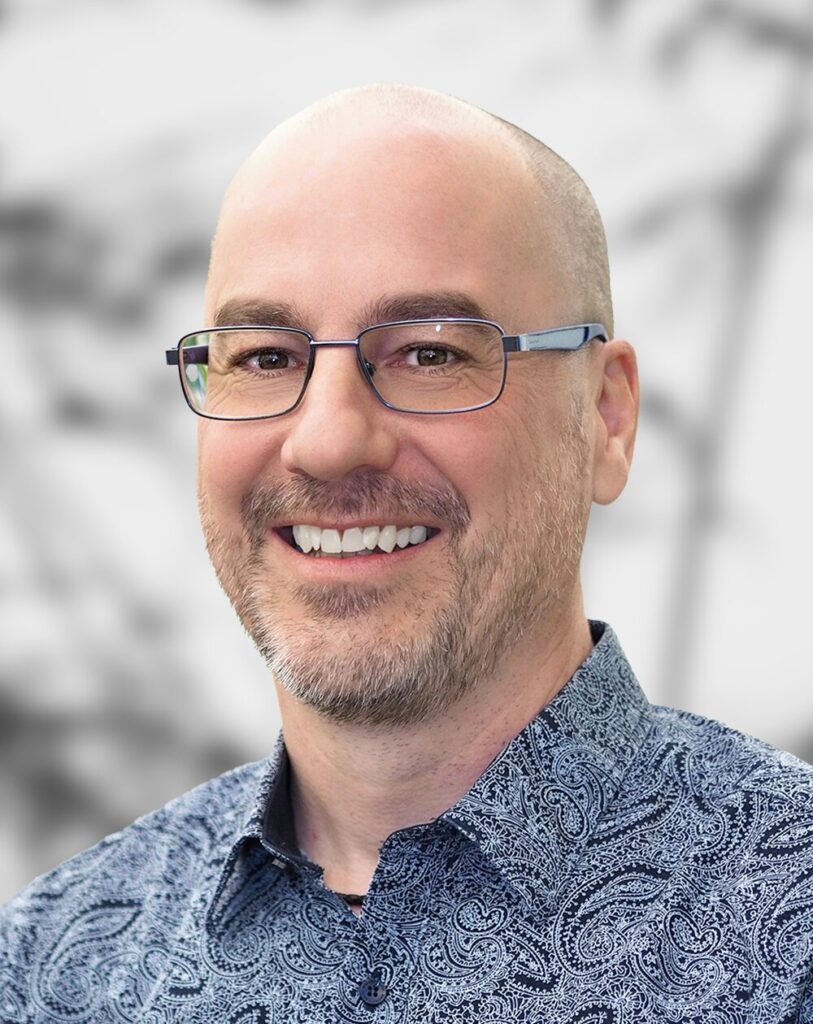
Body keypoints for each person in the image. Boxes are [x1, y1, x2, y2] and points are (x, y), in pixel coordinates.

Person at [2, 84, 811, 1023]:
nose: (328, 441)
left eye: (429, 353)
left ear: (605, 416)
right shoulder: (54, 971)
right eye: (265, 356)